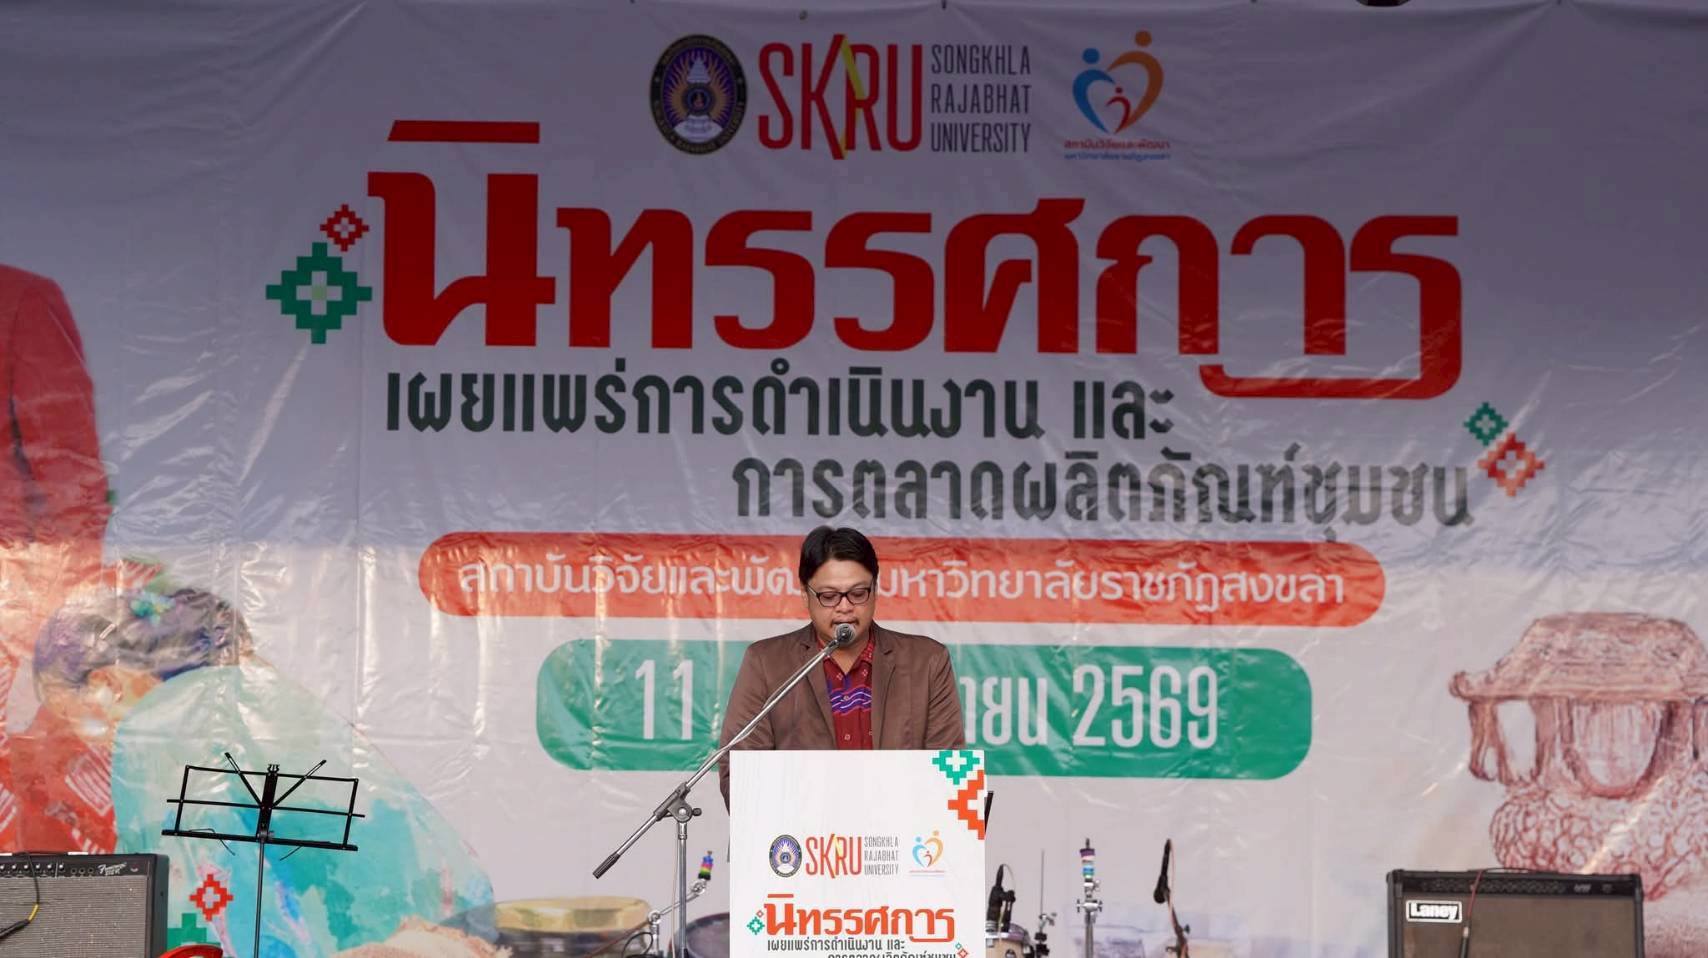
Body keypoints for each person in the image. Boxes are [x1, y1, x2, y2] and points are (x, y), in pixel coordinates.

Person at [718, 526, 965, 806]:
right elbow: (740, 776)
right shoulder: (766, 662)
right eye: (829, 596)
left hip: (899, 830)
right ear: (805, 595)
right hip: (803, 831)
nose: (845, 607)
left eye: (858, 593)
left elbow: (950, 773)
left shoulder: (927, 661)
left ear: (875, 591)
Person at [0, 263, 110, 847]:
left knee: (29, 804)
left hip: (11, 601)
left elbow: (70, 481)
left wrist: (65, 639)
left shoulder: (19, 299)